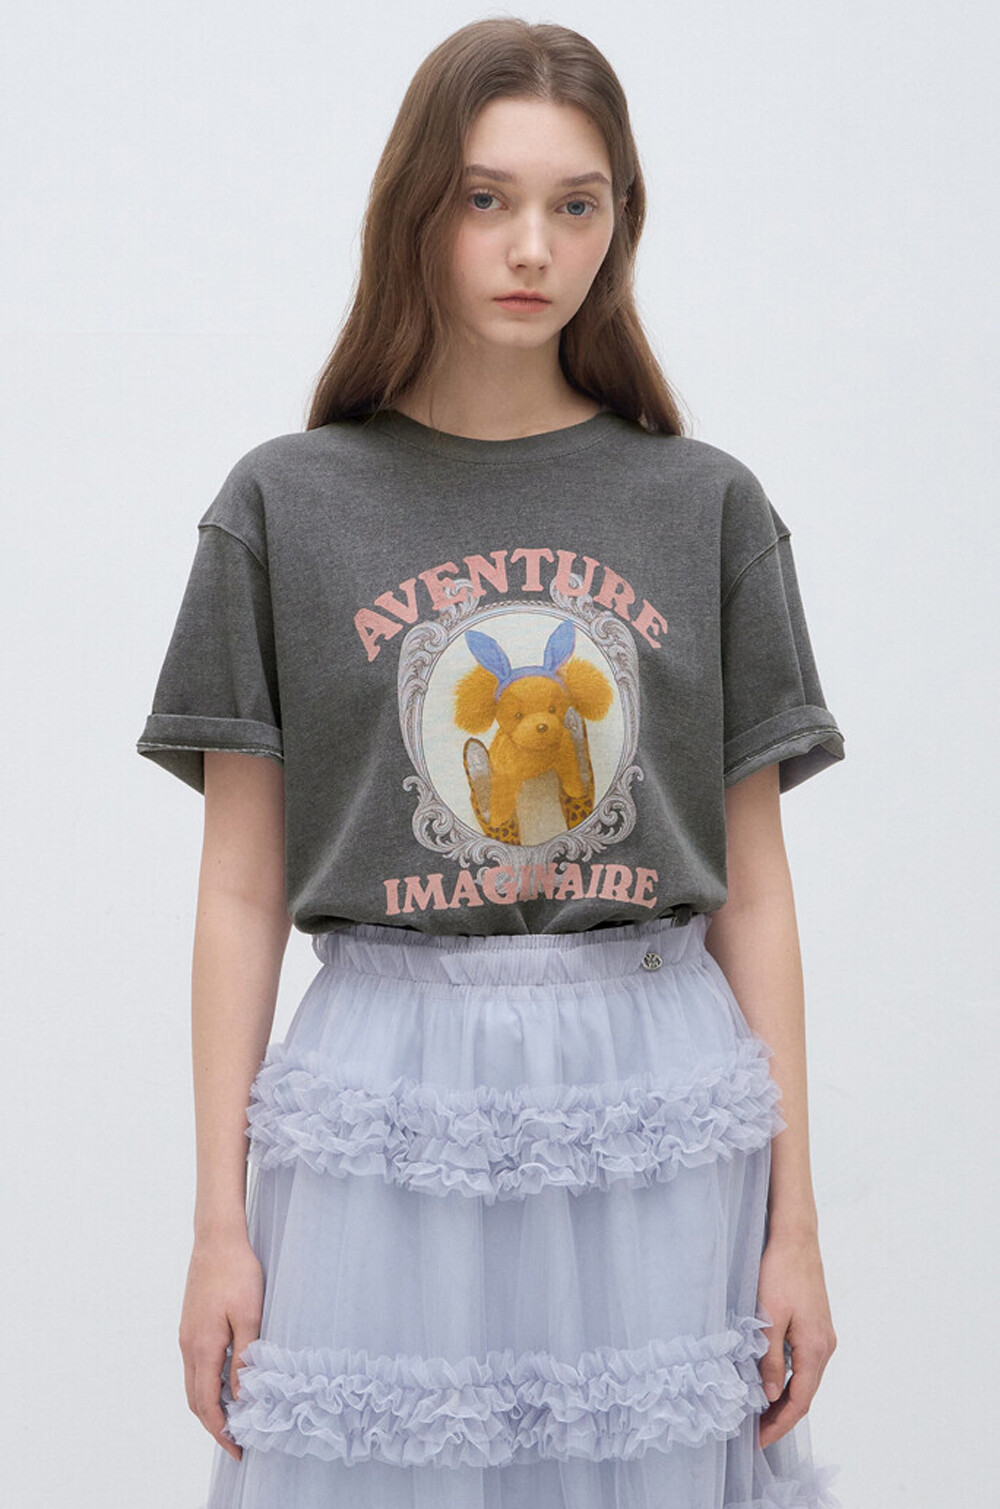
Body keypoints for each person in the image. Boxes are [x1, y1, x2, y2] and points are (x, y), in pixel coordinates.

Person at [136, 17, 845, 1509]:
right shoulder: (283, 504)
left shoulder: (707, 506)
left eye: (576, 203)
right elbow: (241, 891)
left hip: (658, 1092)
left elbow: (757, 890)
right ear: (417, 209)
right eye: (485, 198)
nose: (534, 246)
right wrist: (217, 1226)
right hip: (384, 1097)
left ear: (619, 222)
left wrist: (797, 1227)